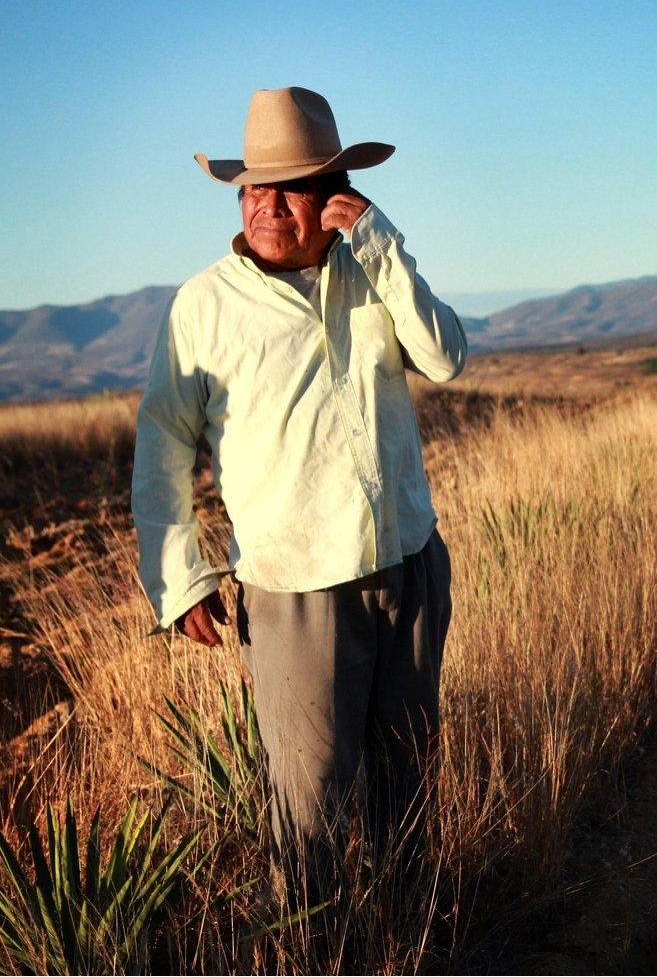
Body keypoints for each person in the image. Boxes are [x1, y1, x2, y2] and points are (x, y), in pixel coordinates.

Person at [131, 86, 467, 899]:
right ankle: (310, 950)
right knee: (308, 809)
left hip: (408, 568)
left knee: (408, 788)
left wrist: (382, 245)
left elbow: (447, 357)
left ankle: (408, 937)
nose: (265, 205)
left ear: (331, 200)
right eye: (253, 187)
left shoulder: (371, 274)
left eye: (289, 188)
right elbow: (163, 444)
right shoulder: (204, 307)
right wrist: (180, 580)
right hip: (295, 593)